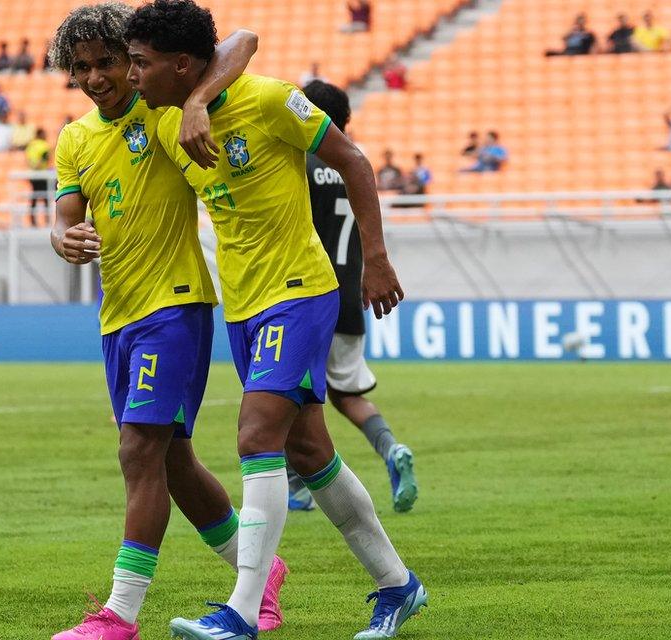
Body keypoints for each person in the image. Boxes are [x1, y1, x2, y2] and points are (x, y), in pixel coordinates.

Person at [125, 3, 423, 640]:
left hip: (301, 291)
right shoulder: (160, 116)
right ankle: (398, 585)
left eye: (140, 63)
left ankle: (242, 611)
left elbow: (355, 162)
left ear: (180, 66)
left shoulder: (269, 102)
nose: (130, 74)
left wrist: (375, 258)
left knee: (257, 436)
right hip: (244, 302)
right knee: (311, 451)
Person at [48, 5, 287, 640]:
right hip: (118, 316)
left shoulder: (162, 115)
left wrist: (202, 101)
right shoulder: (74, 139)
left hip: (175, 306)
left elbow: (242, 39)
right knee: (173, 461)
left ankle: (119, 615)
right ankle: (259, 574)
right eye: (83, 68)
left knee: (139, 450)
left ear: (132, 60)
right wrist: (62, 236)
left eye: (109, 62)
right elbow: (68, 213)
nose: (98, 77)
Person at [284, 82, 419, 516]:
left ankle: (296, 485)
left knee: (285, 391)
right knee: (347, 394)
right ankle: (391, 447)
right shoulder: (354, 164)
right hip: (352, 295)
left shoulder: (298, 164)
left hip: (306, 293)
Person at [25, 128, 50, 227]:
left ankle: (33, 221)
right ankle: (47, 220)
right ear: (41, 134)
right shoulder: (44, 145)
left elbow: (28, 159)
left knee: (34, 197)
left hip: (32, 175)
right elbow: (45, 159)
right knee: (45, 197)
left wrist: (33, 167)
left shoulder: (31, 145)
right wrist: (39, 166)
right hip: (42, 175)